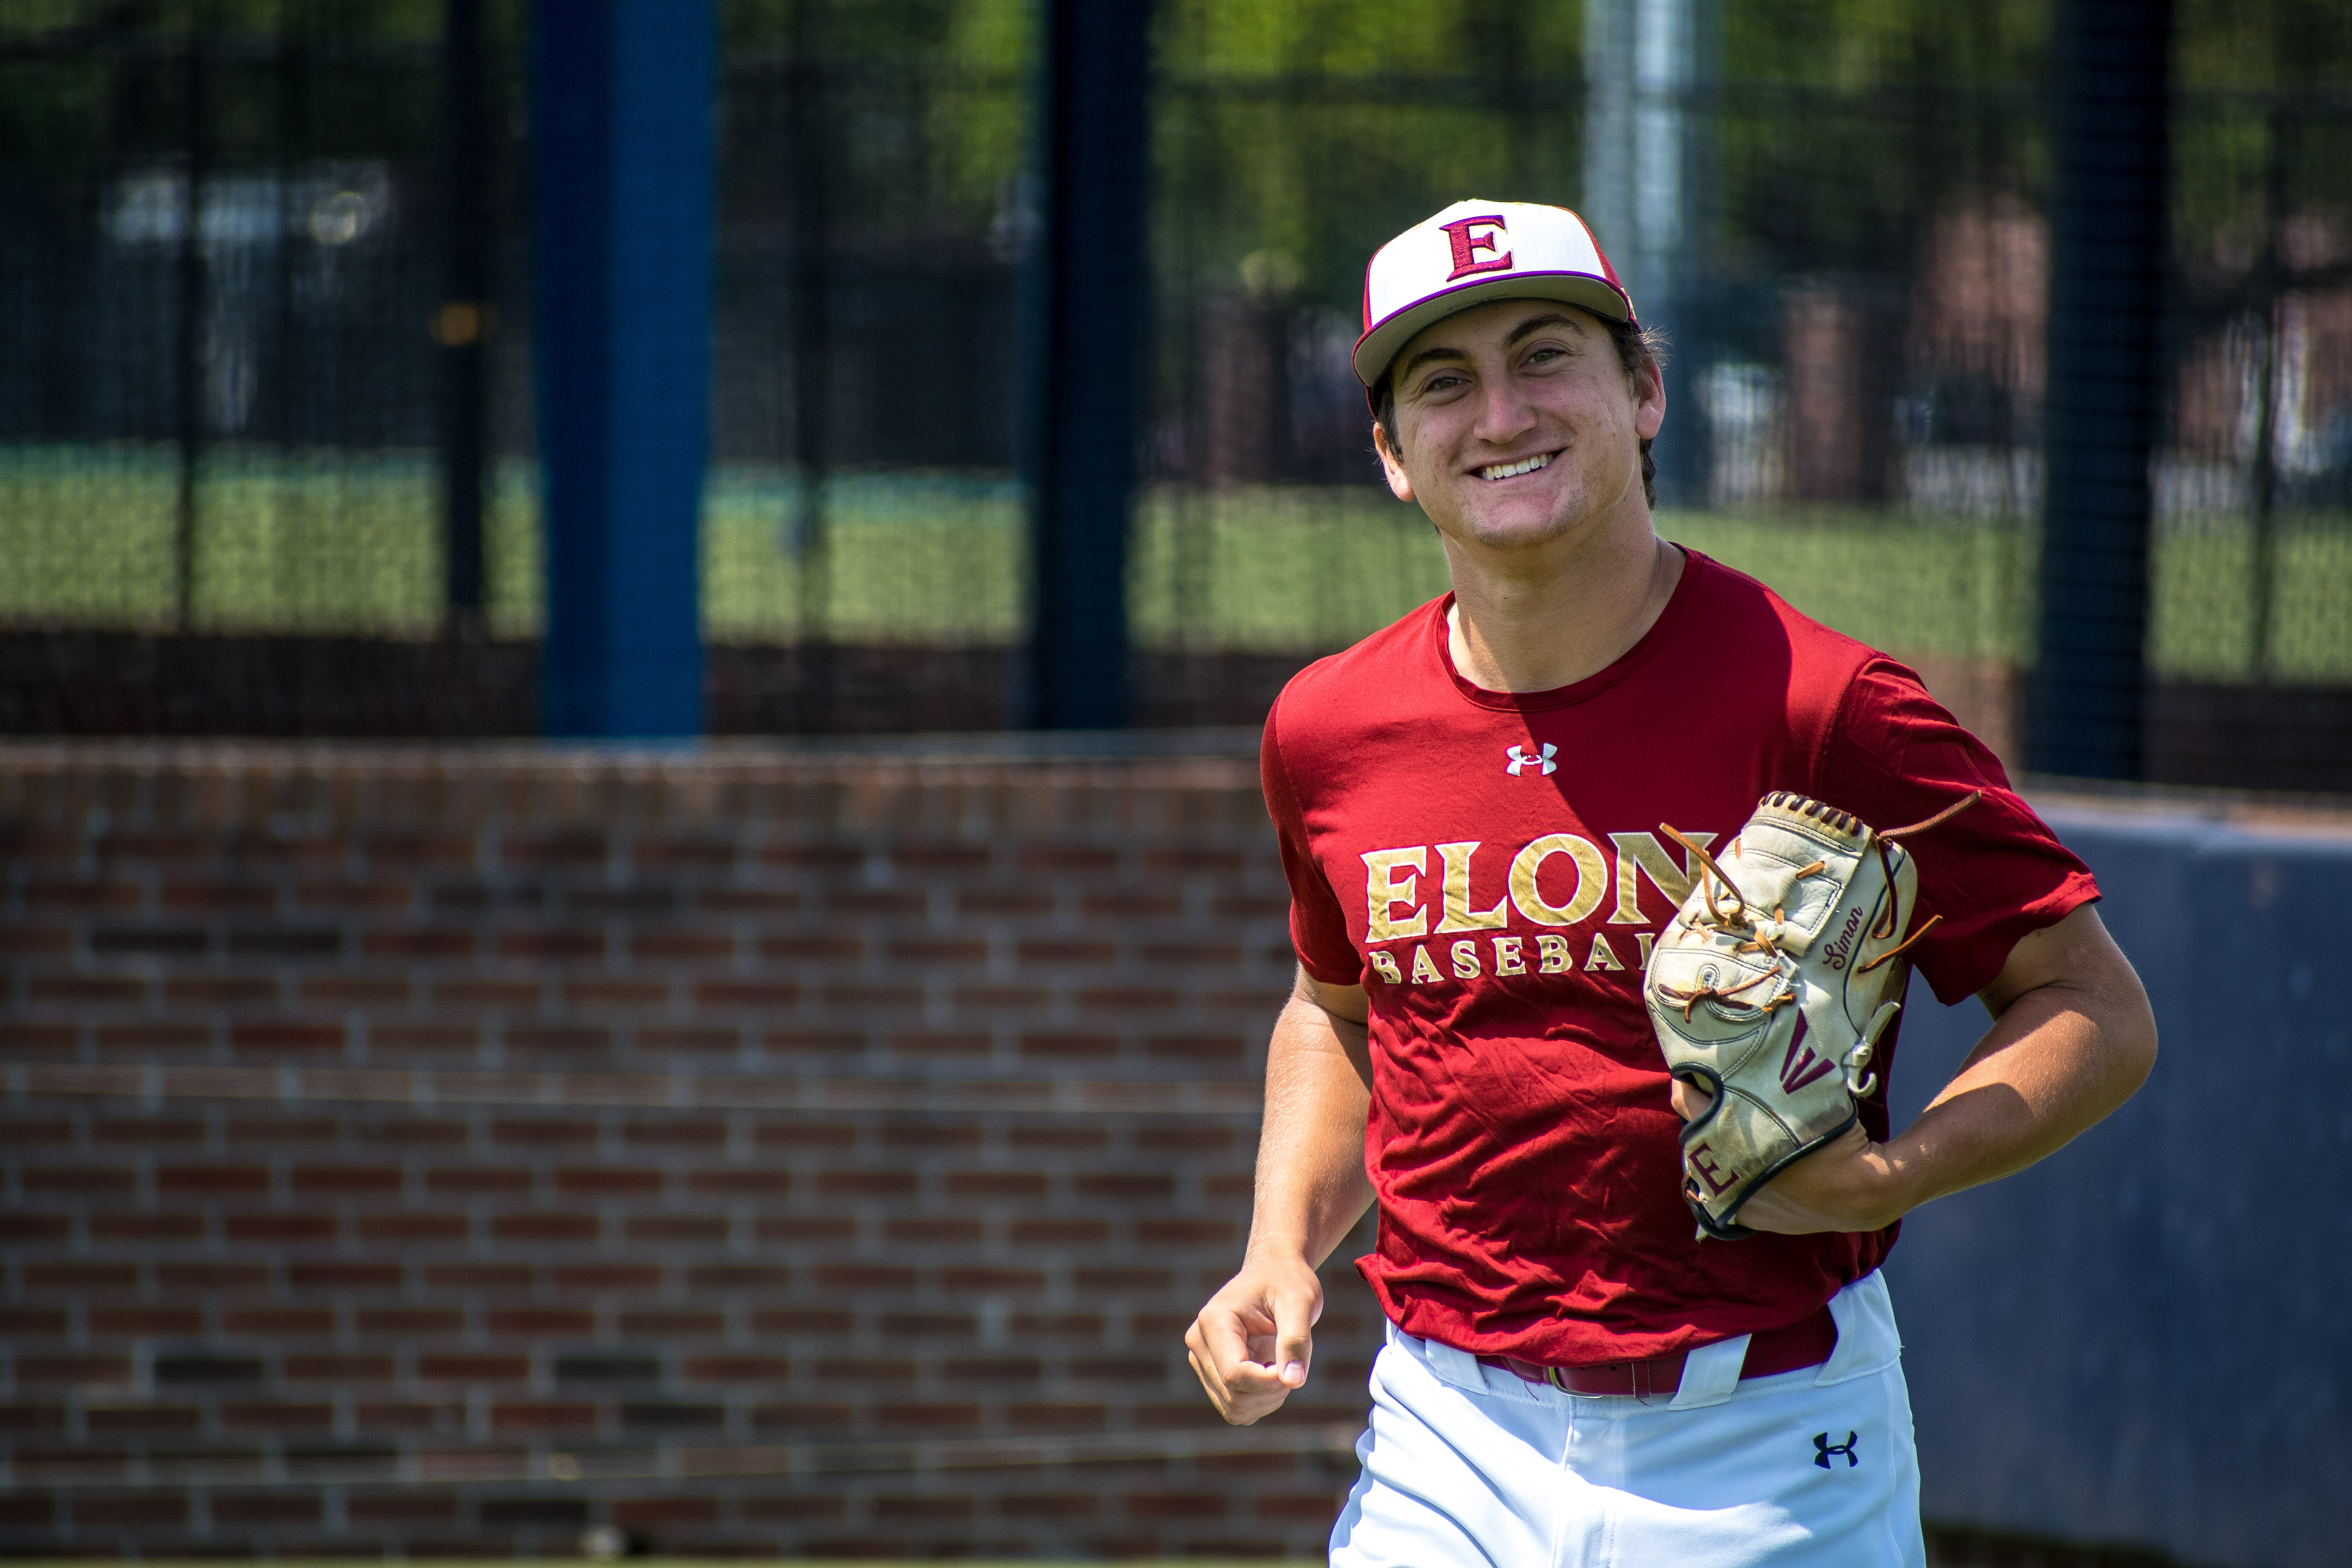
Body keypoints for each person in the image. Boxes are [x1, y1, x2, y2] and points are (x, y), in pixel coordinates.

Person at [1183, 200, 2159, 1566]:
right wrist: (1279, 1245)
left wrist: (1890, 1176)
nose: (1501, 412)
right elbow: (1340, 1009)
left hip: (1766, 1442)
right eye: (1443, 382)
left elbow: (2090, 1008)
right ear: (1393, 455)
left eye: (1545, 358)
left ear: (1644, 392)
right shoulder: (1329, 728)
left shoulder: (1826, 704)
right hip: (1444, 1442)